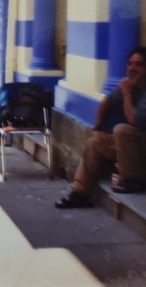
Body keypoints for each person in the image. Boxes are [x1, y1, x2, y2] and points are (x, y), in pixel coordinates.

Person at [56, 47, 146, 208]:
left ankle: (133, 180)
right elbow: (106, 101)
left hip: (141, 148)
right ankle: (80, 193)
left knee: (122, 130)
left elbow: (134, 121)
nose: (132, 68)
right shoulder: (131, 85)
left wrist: (126, 92)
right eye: (130, 64)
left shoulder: (131, 88)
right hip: (133, 148)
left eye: (138, 64)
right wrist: (97, 127)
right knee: (95, 144)